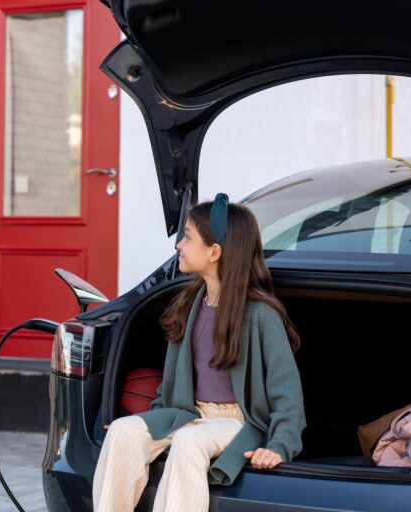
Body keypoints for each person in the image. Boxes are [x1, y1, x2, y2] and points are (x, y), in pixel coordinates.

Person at [93, 193, 306, 512]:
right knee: (124, 431)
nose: (179, 245)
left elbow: (287, 394)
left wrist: (279, 445)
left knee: (189, 443)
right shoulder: (189, 305)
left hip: (236, 421)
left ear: (214, 252)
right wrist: (150, 417)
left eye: (188, 237)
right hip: (188, 413)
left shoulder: (261, 316)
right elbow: (172, 383)